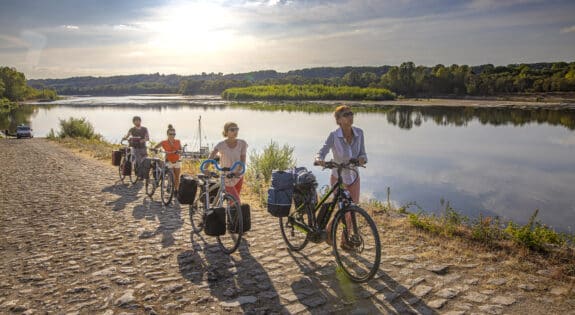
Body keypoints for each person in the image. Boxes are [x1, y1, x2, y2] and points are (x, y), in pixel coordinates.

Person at [315, 105, 367, 248]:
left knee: (351, 209)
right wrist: (320, 159)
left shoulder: (360, 133)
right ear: (338, 120)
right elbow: (323, 151)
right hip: (338, 177)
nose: (350, 116)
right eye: (346, 114)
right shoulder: (334, 135)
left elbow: (363, 153)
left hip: (354, 176)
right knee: (344, 209)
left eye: (351, 113)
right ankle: (330, 230)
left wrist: (362, 159)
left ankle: (345, 241)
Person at [207, 122, 247, 205]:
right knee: (236, 202)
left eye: (237, 129)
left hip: (238, 176)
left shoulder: (242, 143)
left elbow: (243, 159)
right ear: (226, 132)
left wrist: (238, 171)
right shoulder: (221, 145)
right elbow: (211, 158)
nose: (235, 131)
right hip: (226, 176)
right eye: (232, 129)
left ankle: (230, 217)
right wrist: (205, 169)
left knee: (232, 202)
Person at [153, 124, 182, 192]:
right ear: (167, 134)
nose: (172, 135)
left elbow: (181, 150)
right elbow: (156, 147)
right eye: (170, 134)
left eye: (174, 134)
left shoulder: (178, 141)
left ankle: (176, 190)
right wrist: (155, 149)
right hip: (168, 161)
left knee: (177, 178)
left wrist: (179, 151)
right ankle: (169, 185)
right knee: (171, 175)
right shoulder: (164, 142)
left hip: (177, 161)